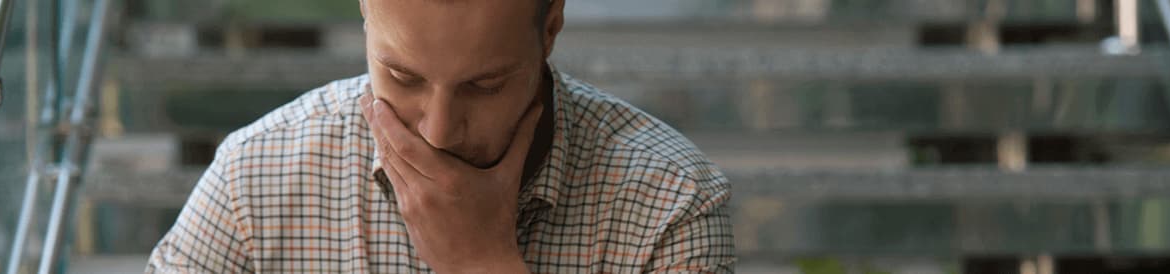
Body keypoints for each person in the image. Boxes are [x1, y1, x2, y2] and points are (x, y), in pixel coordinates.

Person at [145, 0, 735, 272]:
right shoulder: (257, 174)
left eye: (485, 85)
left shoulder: (669, 203)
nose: (439, 131)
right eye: (402, 78)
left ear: (551, 25)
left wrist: (482, 264)